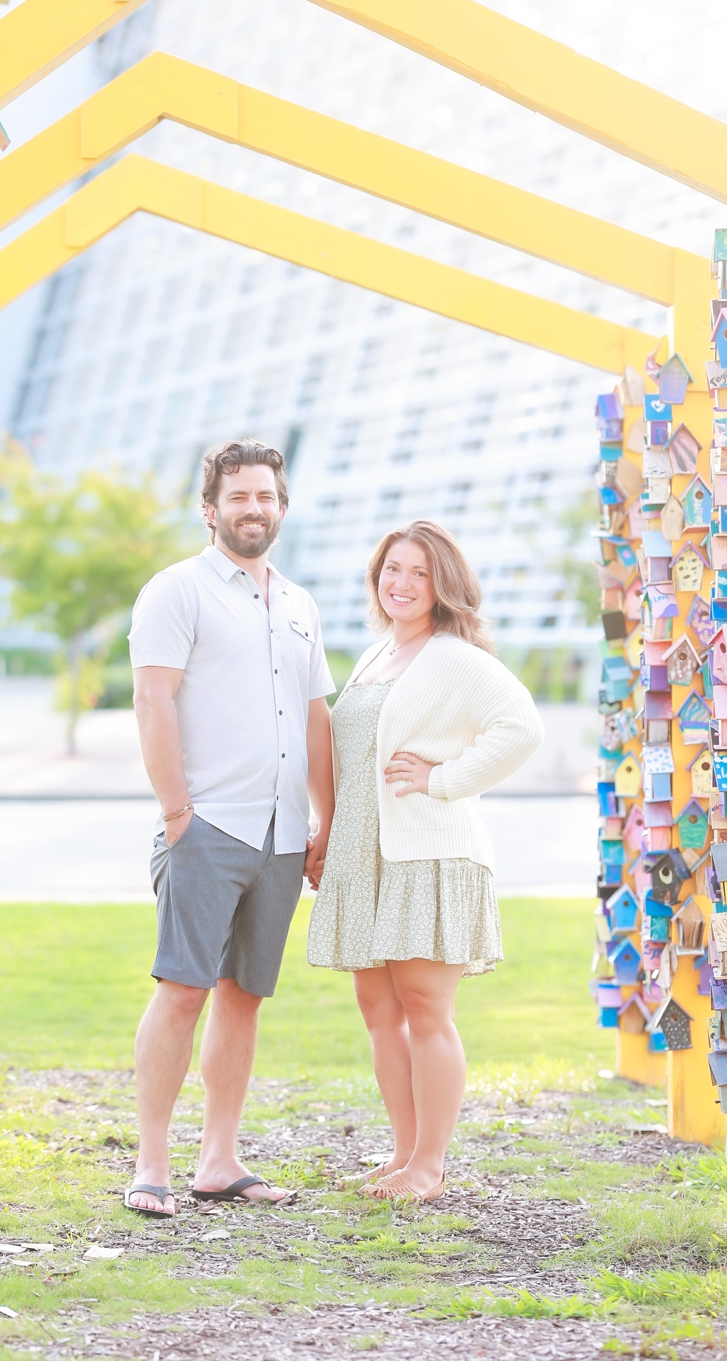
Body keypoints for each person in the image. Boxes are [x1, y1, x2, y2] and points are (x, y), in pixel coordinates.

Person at [126, 439, 335, 1218]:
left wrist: (326, 823)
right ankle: (152, 1163)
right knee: (182, 992)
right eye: (240, 496)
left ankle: (219, 1160)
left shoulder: (300, 604)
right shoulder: (175, 592)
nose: (255, 508)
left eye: (267, 496)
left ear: (283, 507)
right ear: (210, 509)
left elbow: (318, 722)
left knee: (243, 996)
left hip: (284, 836)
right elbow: (152, 703)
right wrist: (179, 814)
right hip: (207, 826)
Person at [307, 521, 543, 1203]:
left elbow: (521, 727)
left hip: (429, 853)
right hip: (367, 854)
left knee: (425, 1008)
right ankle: (404, 1154)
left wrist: (443, 778)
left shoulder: (453, 656)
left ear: (442, 585)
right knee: (378, 1008)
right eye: (392, 570)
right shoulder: (377, 655)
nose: (402, 584)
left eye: (418, 572)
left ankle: (429, 1167)